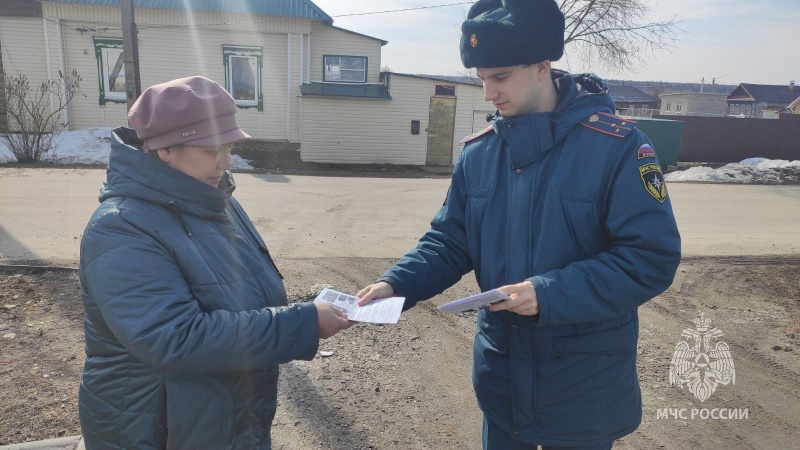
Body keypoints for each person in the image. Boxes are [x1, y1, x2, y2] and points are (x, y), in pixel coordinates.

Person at [356, 0, 681, 448]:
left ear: (543, 66)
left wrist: (547, 293)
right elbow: (451, 241)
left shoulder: (619, 147)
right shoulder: (480, 153)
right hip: (503, 382)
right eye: (482, 78)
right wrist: (395, 285)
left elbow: (649, 258)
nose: (488, 93)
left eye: (501, 77)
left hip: (583, 387)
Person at [78, 75, 352, 449]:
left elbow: (242, 294)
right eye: (210, 151)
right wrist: (303, 322)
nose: (225, 163)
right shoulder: (122, 226)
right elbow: (173, 337)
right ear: (164, 150)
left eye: (228, 147)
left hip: (224, 421)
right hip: (159, 431)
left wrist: (313, 305)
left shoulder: (217, 202)